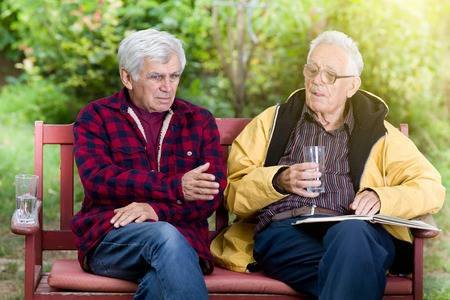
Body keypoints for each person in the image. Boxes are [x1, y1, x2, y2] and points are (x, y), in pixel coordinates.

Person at [211, 30, 445, 299]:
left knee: (353, 236)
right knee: (358, 265)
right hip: (287, 233)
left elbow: (431, 187)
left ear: (352, 86)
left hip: (357, 232)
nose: (317, 81)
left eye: (330, 75)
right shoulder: (273, 122)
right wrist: (277, 180)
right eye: (312, 70)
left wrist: (381, 197)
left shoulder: (380, 134)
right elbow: (233, 193)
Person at [71, 28, 226, 300]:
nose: (168, 87)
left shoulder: (199, 121)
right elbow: (98, 181)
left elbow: (209, 198)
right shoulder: (96, 117)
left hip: (186, 243)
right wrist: (175, 188)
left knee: (159, 281)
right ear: (127, 77)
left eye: (174, 76)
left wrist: (155, 210)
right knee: (164, 237)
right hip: (113, 240)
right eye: (156, 77)